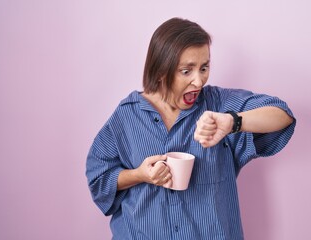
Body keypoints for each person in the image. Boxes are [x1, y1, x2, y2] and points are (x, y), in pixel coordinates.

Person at [86, 17, 296, 240]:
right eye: (186, 71)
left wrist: (232, 122)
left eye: (204, 67)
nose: (199, 81)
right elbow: (99, 179)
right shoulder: (126, 116)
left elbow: (282, 115)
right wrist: (140, 175)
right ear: (160, 71)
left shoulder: (218, 104)